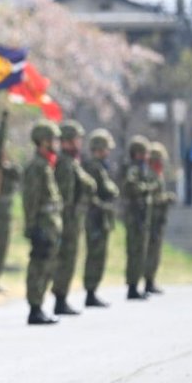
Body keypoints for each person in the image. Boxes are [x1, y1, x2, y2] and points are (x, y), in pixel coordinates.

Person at [50, 121, 95, 315]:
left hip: (74, 218)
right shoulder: (66, 165)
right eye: (77, 139)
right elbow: (66, 196)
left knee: (70, 259)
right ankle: (60, 300)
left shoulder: (72, 162)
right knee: (65, 259)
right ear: (68, 141)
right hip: (68, 219)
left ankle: (63, 298)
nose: (80, 142)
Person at [22, 119, 62, 325]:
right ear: (43, 141)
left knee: (47, 265)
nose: (57, 143)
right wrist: (32, 226)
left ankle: (40, 304)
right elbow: (31, 200)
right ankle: (35, 307)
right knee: (39, 265)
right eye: (53, 139)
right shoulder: (36, 167)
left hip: (50, 223)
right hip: (42, 224)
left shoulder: (47, 165)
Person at [82, 129, 119, 308]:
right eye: (106, 149)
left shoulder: (101, 166)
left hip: (101, 216)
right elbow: (104, 189)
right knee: (95, 254)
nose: (108, 152)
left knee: (100, 255)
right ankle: (90, 292)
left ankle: (93, 290)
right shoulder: (93, 167)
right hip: (95, 216)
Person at [0, 111, 21, 292]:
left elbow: (17, 175)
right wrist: (4, 122)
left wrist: (8, 166)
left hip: (5, 209)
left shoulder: (7, 168)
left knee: (2, 244)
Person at [120, 135, 155, 301]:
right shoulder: (133, 169)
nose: (147, 156)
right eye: (145, 153)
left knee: (140, 251)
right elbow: (131, 186)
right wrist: (147, 188)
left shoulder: (142, 169)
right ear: (138, 153)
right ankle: (132, 286)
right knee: (135, 251)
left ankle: (136, 284)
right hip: (134, 216)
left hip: (141, 216)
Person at [144, 142, 175, 296]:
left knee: (155, 251)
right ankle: (148, 281)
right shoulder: (150, 175)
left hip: (158, 218)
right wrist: (165, 198)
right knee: (151, 250)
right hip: (152, 219)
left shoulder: (157, 175)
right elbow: (152, 197)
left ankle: (151, 280)